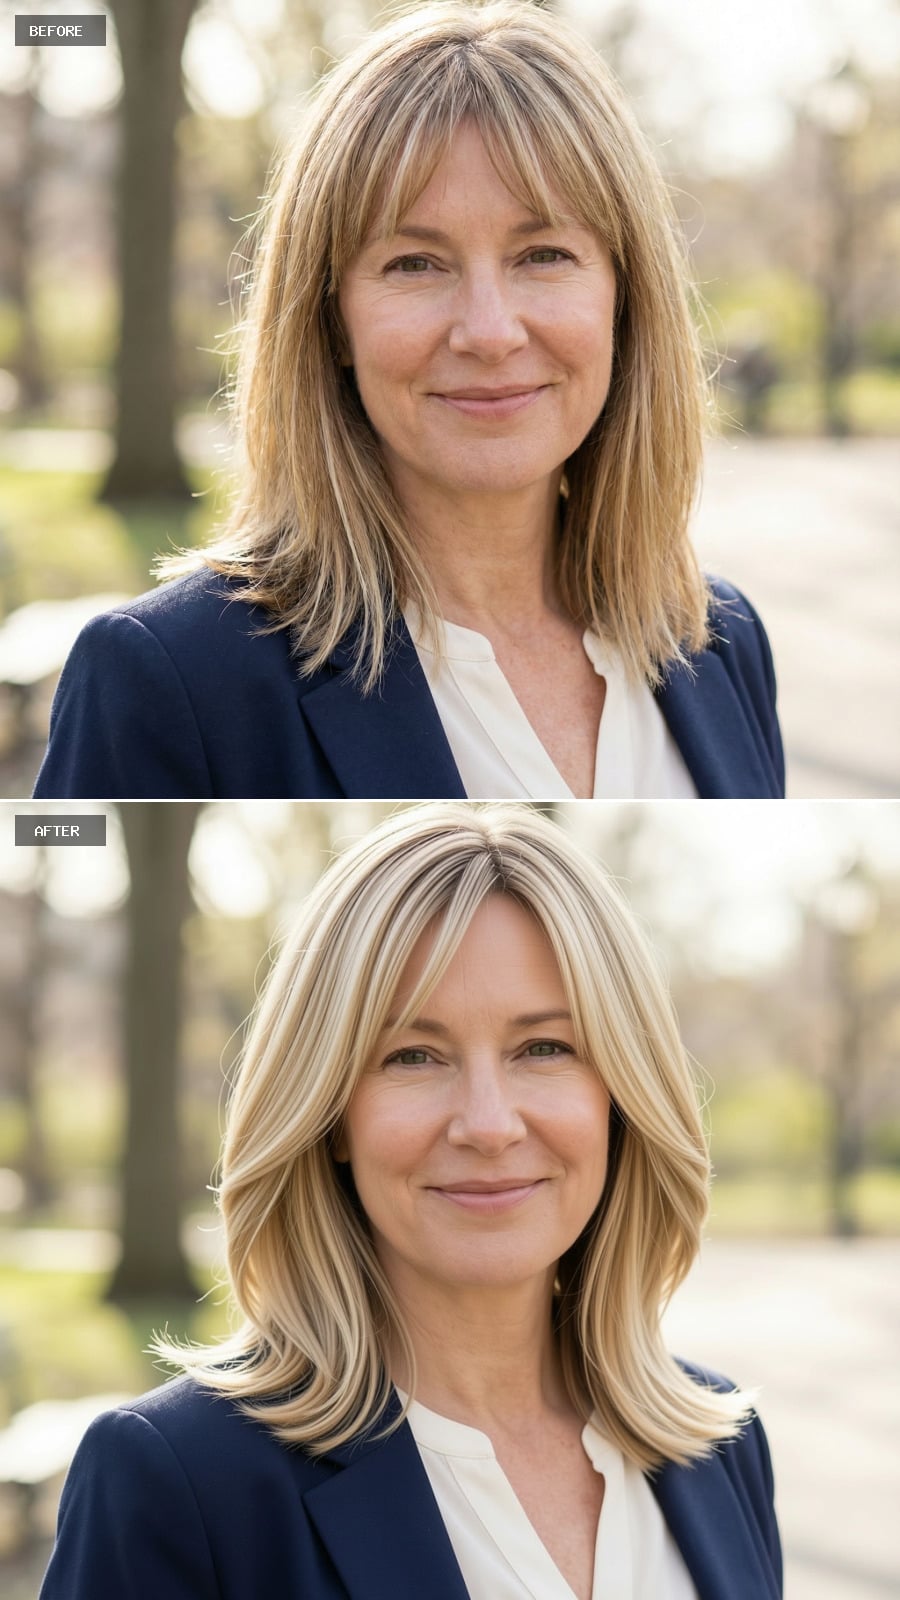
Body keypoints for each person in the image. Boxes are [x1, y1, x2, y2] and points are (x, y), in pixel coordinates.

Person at [34, 2, 784, 802]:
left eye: (544, 254)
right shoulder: (166, 677)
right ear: (331, 318)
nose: (490, 332)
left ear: (624, 298)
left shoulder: (721, 641)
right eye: (415, 264)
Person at [40, 804, 782, 1600]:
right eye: (413, 1055)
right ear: (329, 1117)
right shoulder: (177, 1479)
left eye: (545, 1048)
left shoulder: (719, 1440)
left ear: (621, 1096)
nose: (490, 1125)